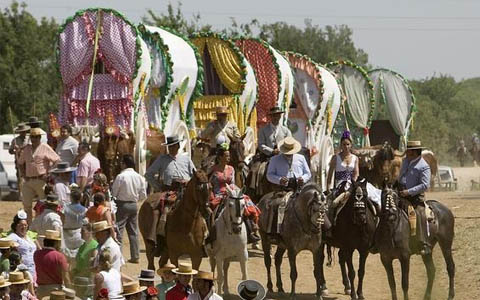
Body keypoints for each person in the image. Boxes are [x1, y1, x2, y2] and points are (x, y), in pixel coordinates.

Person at [145, 136, 195, 239]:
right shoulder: (162, 159)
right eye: (170, 146)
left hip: (186, 190)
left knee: (202, 207)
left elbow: (195, 175)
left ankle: (205, 236)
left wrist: (189, 182)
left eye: (174, 146)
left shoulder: (186, 159)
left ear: (178, 146)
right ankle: (159, 235)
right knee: (163, 210)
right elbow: (148, 174)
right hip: (170, 190)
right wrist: (158, 187)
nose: (172, 148)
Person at [208, 145, 260, 243]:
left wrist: (233, 191)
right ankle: (210, 233)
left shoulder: (231, 168)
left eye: (229, 156)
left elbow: (232, 182)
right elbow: (209, 183)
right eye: (226, 156)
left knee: (244, 202)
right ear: (220, 157)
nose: (229, 158)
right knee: (210, 210)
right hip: (218, 193)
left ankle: (251, 229)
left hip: (230, 191)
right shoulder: (213, 169)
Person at [17, 127, 60, 224]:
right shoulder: (27, 148)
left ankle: (41, 225)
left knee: (43, 204)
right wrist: (23, 174)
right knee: (26, 205)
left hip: (41, 180)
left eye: (36, 137)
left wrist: (49, 172)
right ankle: (29, 226)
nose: (34, 139)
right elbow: (20, 162)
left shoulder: (45, 147)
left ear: (40, 137)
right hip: (28, 180)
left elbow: (57, 160)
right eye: (32, 137)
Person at [397, 140, 432, 255]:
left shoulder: (424, 166)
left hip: (415, 197)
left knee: (418, 213)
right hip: (400, 192)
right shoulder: (405, 161)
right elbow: (401, 176)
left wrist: (409, 192)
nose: (406, 153)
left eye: (408, 151)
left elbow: (425, 185)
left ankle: (423, 243)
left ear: (414, 152)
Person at [112, 155, 147, 264]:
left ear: (125, 163)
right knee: (133, 231)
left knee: (119, 231)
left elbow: (114, 193)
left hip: (122, 204)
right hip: (133, 204)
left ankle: (119, 255)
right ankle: (135, 256)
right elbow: (143, 195)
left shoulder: (121, 176)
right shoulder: (139, 177)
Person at [33, 230, 70, 298]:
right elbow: (66, 277)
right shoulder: (60, 256)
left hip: (41, 290)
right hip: (56, 291)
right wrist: (70, 292)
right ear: (55, 243)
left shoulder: (36, 254)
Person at [7, 211, 38, 282]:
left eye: (25, 225)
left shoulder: (28, 237)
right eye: (21, 225)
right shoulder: (12, 237)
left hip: (33, 270)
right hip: (21, 271)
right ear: (15, 226)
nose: (23, 227)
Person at [62, 188, 87, 260]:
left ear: (71, 197)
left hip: (66, 233)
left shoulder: (65, 208)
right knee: (77, 254)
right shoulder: (84, 209)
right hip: (79, 233)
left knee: (66, 255)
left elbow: (62, 219)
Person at [9, 123, 30, 202]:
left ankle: (28, 194)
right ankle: (21, 195)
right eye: (21, 132)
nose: (23, 133)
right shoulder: (15, 140)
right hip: (18, 161)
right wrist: (14, 150)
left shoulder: (29, 139)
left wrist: (22, 148)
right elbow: (10, 151)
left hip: (27, 161)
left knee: (28, 177)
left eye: (24, 131)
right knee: (20, 178)